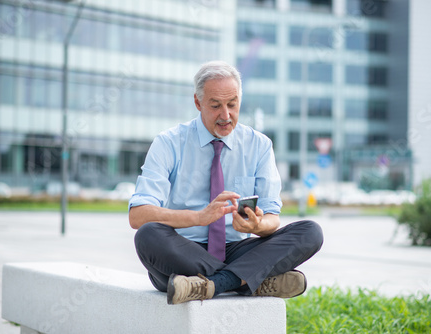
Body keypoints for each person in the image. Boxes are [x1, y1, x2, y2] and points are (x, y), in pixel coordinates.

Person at [129, 60, 323, 305]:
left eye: (232, 104)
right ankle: (249, 281)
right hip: (184, 250)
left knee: (310, 232)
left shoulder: (259, 145)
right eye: (215, 105)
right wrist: (199, 217)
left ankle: (212, 285)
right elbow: (137, 215)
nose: (226, 115)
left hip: (236, 248)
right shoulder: (169, 143)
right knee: (148, 235)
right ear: (198, 103)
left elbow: (272, 217)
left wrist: (257, 225)